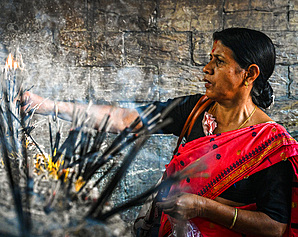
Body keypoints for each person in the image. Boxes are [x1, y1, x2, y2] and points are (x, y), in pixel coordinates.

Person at [20, 28, 298, 236]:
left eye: (220, 62)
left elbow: (275, 226)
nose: (207, 69)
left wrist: (203, 208)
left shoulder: (271, 146)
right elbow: (123, 118)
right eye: (210, 59)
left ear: (249, 74)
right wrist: (45, 105)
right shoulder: (195, 108)